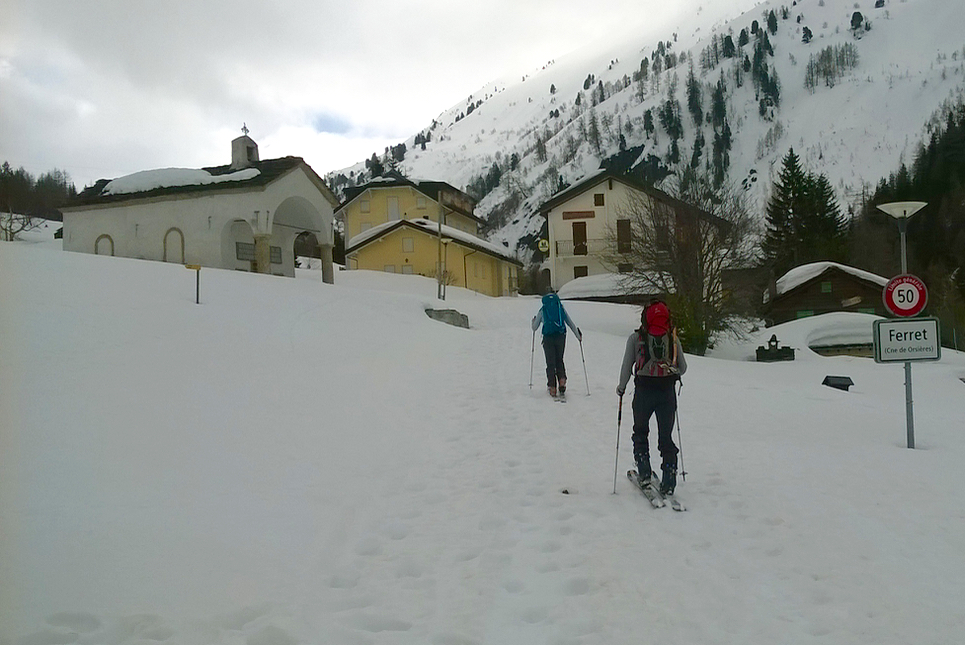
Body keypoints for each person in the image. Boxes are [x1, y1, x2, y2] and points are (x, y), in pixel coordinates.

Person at [616, 300, 687, 495]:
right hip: (667, 392)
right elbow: (683, 367)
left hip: (643, 391)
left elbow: (626, 367)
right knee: (665, 437)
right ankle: (670, 478)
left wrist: (621, 388)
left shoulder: (635, 338)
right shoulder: (672, 339)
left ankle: (644, 470)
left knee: (640, 431)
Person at [532, 291, 581, 397]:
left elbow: (534, 327)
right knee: (559, 359)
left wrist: (533, 322)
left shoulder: (543, 309)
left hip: (548, 337)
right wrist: (578, 335)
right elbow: (569, 322)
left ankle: (552, 387)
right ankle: (562, 380)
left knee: (550, 362)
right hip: (561, 335)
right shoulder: (560, 308)